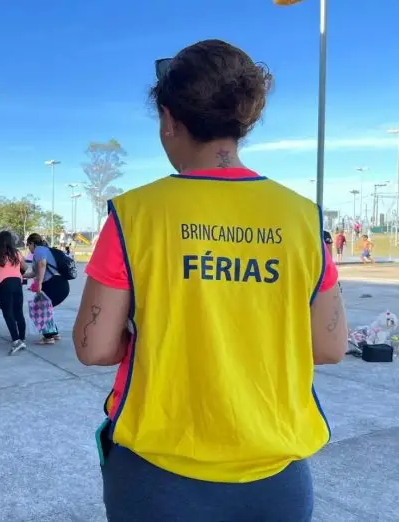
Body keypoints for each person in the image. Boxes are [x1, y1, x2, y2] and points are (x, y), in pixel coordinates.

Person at [72, 40, 348, 522]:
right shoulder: (303, 218)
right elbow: (329, 346)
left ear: (168, 118)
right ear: (243, 121)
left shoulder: (135, 214)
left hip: (158, 476)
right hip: (274, 477)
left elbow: (94, 347)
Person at [25, 233, 69, 344]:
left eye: (28, 245)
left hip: (55, 284)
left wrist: (39, 284)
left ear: (32, 243)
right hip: (59, 284)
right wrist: (21, 276)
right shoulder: (44, 251)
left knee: (39, 307)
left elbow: (42, 265)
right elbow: (35, 272)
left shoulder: (39, 250)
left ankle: (48, 337)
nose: (28, 248)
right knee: (45, 307)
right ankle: (54, 333)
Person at [0, 231, 27, 354]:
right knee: (18, 312)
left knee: (8, 313)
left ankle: (16, 341)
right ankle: (22, 338)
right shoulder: (17, 253)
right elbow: (25, 268)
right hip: (17, 284)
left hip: (5, 285)